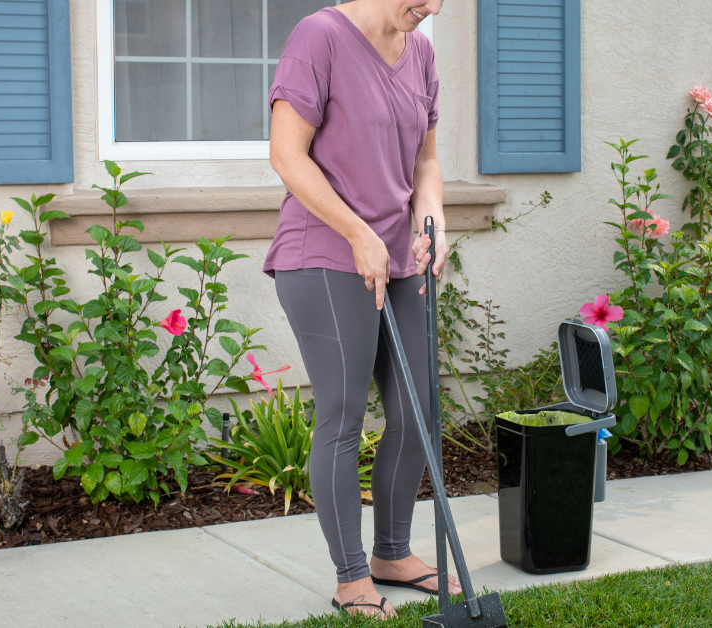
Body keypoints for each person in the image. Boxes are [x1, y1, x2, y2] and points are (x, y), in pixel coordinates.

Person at [264, 0, 455, 620]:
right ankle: (350, 576)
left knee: (418, 409)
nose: (430, 9)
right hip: (323, 252)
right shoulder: (318, 37)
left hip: (397, 256)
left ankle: (391, 553)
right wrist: (356, 232)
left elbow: (425, 162)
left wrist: (433, 220)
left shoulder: (420, 53)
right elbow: (287, 156)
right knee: (343, 415)